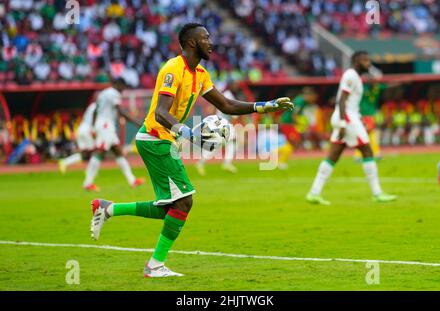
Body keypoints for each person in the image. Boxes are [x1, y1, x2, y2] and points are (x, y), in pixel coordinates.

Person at [89, 23, 293, 277]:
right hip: (155, 138)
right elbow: (161, 113)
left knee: (171, 207)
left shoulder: (201, 74)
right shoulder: (172, 69)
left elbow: (227, 104)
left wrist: (265, 106)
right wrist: (188, 133)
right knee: (185, 201)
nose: (211, 42)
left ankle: (107, 208)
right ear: (192, 42)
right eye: (206, 38)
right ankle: (154, 265)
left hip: (164, 140)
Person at [305, 51, 397, 205]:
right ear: (355, 61)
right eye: (364, 60)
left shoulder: (356, 77)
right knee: (367, 150)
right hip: (346, 118)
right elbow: (342, 100)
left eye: (368, 60)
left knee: (333, 154)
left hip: (348, 116)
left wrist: (356, 117)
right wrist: (342, 123)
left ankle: (313, 193)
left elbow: (350, 103)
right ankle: (377, 193)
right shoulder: (351, 75)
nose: (368, 63)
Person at [83, 78, 145, 192]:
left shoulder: (103, 93)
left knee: (118, 152)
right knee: (100, 151)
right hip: (105, 126)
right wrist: (137, 122)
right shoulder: (114, 93)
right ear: (118, 84)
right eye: (123, 87)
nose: (123, 90)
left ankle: (132, 180)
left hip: (103, 125)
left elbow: (96, 111)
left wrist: (93, 126)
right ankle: (88, 183)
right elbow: (120, 110)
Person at [195, 81, 240, 176]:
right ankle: (227, 163)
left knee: (216, 145)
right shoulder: (228, 94)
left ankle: (201, 163)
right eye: (234, 84)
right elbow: (233, 111)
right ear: (230, 85)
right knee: (233, 140)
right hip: (223, 123)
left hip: (220, 123)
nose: (236, 86)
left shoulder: (225, 94)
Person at [58, 102, 96, 174]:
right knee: (94, 151)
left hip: (81, 129)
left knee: (84, 154)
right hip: (87, 130)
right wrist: (93, 130)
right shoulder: (98, 106)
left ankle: (64, 162)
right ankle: (91, 172)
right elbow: (94, 118)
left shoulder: (92, 105)